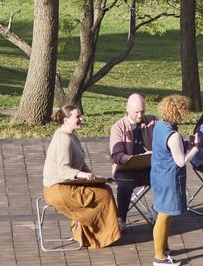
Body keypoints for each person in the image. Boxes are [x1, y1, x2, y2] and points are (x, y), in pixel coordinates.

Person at [40, 102, 121, 249]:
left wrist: (92, 177)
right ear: (66, 120)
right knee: (103, 195)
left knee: (105, 189)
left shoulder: (72, 136)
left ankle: (101, 234)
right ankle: (96, 235)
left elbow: (80, 163)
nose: (81, 119)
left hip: (67, 184)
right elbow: (63, 170)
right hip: (58, 189)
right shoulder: (63, 139)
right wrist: (82, 175)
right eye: (77, 117)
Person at [148, 92, 195, 266]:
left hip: (158, 175)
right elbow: (181, 160)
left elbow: (168, 149)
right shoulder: (173, 135)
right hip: (169, 178)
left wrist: (186, 144)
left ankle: (163, 247)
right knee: (164, 214)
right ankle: (159, 257)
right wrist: (196, 148)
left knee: (163, 213)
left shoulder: (160, 125)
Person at [108, 91, 154, 219]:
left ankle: (158, 212)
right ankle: (121, 218)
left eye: (142, 111)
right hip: (125, 169)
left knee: (165, 178)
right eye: (136, 112)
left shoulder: (152, 122)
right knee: (124, 186)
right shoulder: (118, 127)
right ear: (127, 109)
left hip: (149, 167)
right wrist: (130, 159)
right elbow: (116, 155)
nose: (140, 115)